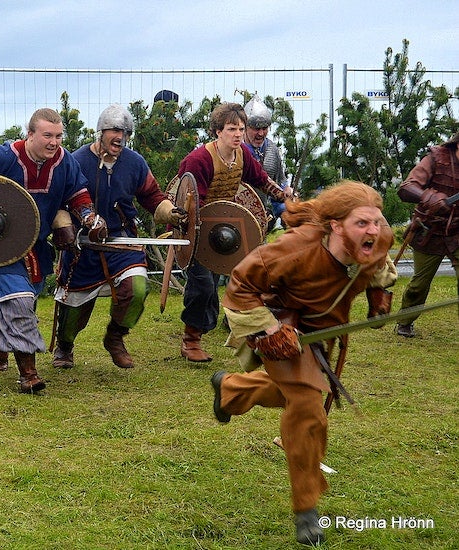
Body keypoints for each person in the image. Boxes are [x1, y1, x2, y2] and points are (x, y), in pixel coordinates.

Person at [210, 180, 396, 546]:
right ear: (336, 226)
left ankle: (230, 389)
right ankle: (306, 508)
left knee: (295, 392)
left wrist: (379, 295)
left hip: (321, 333)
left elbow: (379, 264)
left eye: (376, 221)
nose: (372, 230)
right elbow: (240, 284)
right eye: (362, 223)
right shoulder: (293, 249)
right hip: (279, 324)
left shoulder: (378, 237)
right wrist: (269, 330)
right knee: (309, 408)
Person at [0, 108, 107, 393]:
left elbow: (77, 194)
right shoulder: (1, 157)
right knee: (19, 301)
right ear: (30, 134)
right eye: (47, 135)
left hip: (36, 248)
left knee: (28, 299)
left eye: (59, 136)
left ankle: (1, 343)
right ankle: (29, 374)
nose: (54, 142)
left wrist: (89, 217)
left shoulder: (64, 162)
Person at [52, 104, 185, 370]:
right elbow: (58, 201)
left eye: (124, 132)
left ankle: (115, 337)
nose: (119, 137)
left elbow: (152, 197)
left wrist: (173, 214)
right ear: (100, 132)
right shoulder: (75, 161)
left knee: (137, 288)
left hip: (122, 241)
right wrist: (65, 229)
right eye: (114, 130)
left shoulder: (134, 163)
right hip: (82, 244)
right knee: (73, 309)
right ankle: (64, 346)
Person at [176, 102, 289, 362]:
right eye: (231, 129)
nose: (238, 134)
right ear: (217, 131)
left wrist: (282, 195)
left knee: (216, 283)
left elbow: (260, 178)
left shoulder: (242, 155)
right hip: (192, 229)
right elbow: (189, 201)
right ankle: (190, 341)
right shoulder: (199, 159)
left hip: (222, 231)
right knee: (202, 285)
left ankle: (206, 332)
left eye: (240, 128)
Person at [394, 131, 459, 337]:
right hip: (430, 230)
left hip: (458, 232)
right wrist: (429, 197)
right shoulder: (436, 157)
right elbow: (406, 188)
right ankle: (404, 322)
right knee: (419, 285)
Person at [244, 94, 289, 231]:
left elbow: (280, 184)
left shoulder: (272, 150)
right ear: (245, 127)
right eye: (256, 129)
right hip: (237, 215)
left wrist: (285, 207)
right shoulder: (235, 151)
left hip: (262, 218)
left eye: (265, 128)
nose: (261, 133)